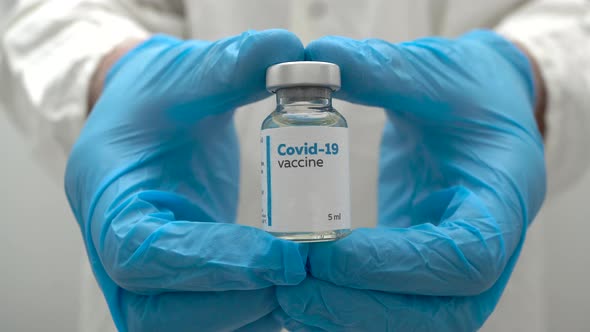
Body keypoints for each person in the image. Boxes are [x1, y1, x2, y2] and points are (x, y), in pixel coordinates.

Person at [1, 0, 589, 331]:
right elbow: (43, 12)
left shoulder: (292, 124)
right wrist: (110, 74)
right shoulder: (282, 126)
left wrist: (528, 75)